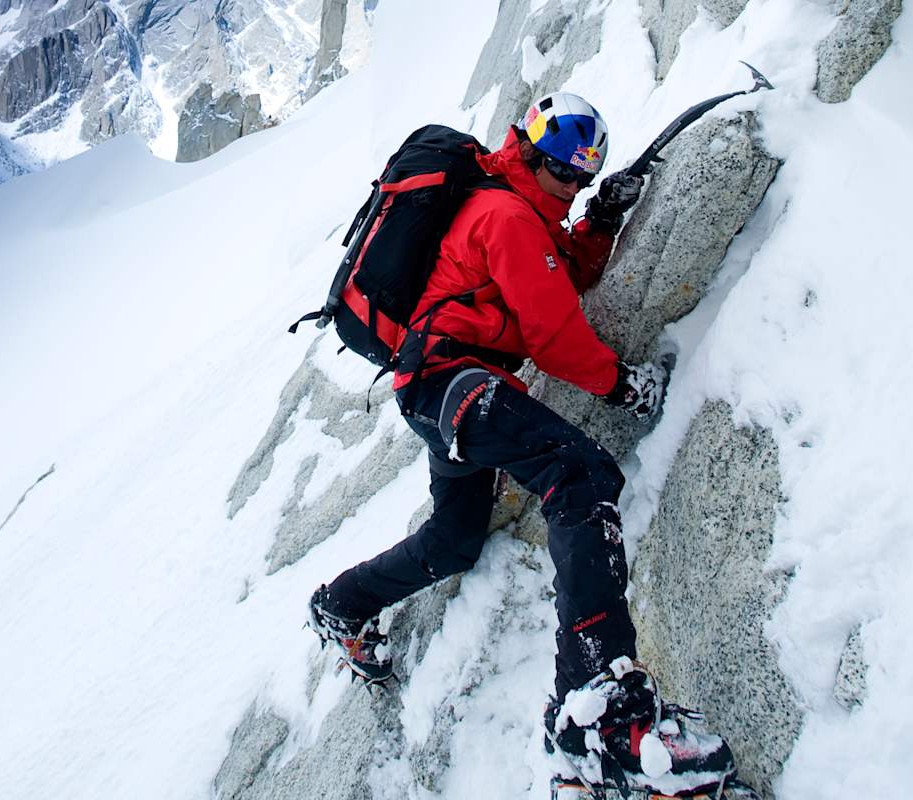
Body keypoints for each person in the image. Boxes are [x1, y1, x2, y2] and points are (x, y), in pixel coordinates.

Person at [308, 93, 739, 793]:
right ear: (533, 156)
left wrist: (599, 222)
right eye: (567, 175)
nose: (574, 187)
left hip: (437, 389)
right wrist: (621, 386)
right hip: (454, 383)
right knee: (581, 476)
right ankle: (598, 713)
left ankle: (343, 603)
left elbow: (557, 276)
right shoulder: (506, 215)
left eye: (583, 179)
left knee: (453, 542)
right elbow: (553, 333)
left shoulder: (515, 206)